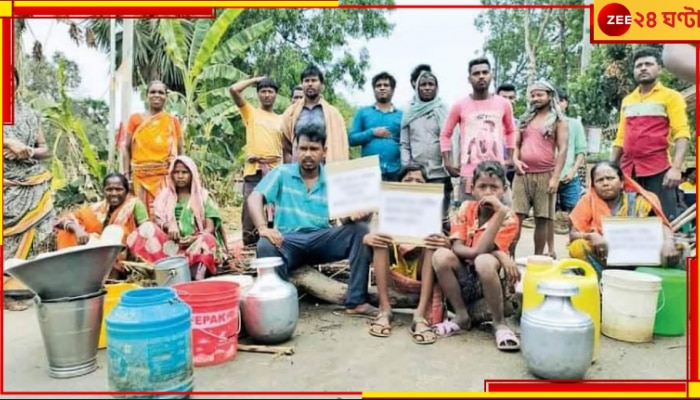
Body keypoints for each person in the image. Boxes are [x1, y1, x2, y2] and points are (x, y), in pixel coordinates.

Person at [249, 124, 377, 318]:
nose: (308, 154)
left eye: (314, 149)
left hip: (321, 239)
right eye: (303, 148)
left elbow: (344, 218)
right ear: (295, 150)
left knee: (360, 230)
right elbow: (254, 197)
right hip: (287, 241)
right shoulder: (282, 173)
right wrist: (262, 228)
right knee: (265, 244)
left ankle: (356, 302)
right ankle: (282, 305)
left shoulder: (335, 178)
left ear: (324, 152)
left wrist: (357, 214)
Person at [430, 161, 521, 351]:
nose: (488, 192)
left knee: (484, 261)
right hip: (464, 274)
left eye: (494, 187)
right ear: (472, 189)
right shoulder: (465, 208)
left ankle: (499, 322)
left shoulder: (509, 217)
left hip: (490, 278)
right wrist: (477, 250)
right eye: (482, 186)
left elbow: (484, 251)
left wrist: (500, 213)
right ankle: (461, 316)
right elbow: (457, 247)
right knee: (441, 255)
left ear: (504, 190)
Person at [362, 164, 450, 344]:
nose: (414, 184)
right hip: (395, 271)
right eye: (408, 180)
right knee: (380, 240)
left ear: (426, 186)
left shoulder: (434, 212)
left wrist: (445, 243)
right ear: (399, 184)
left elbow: (450, 243)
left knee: (432, 243)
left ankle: (419, 314)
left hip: (421, 272)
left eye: (419, 181)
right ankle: (385, 310)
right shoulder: (389, 210)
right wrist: (367, 238)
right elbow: (370, 235)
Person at [611, 47, 690, 222]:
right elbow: (621, 138)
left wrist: (676, 169)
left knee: (663, 219)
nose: (643, 68)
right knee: (629, 217)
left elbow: (682, 133)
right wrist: (610, 167)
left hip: (659, 170)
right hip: (628, 170)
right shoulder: (628, 100)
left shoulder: (671, 97)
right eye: (639, 65)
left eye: (648, 64)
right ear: (634, 71)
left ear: (659, 68)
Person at [3, 67, 55, 311]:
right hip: (5, 184)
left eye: (11, 79)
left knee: (31, 235)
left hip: (30, 181)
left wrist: (30, 150)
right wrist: (7, 141)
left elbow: (45, 148)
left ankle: (17, 291)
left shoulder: (29, 113)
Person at [568, 161, 679, 275]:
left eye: (610, 178)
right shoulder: (587, 201)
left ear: (621, 182)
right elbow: (573, 235)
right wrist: (591, 236)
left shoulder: (640, 201)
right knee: (578, 247)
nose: (605, 183)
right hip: (603, 257)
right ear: (594, 185)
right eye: (600, 180)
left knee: (680, 248)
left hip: (640, 253)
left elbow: (660, 225)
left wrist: (668, 242)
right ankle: (603, 284)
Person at [128, 156, 226, 281]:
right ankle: (160, 269)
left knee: (207, 239)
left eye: (184, 172)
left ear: (192, 174)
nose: (180, 176)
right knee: (146, 228)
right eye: (176, 172)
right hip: (169, 247)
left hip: (194, 246)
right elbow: (156, 220)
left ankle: (194, 272)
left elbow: (210, 228)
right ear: (171, 174)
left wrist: (194, 238)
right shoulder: (164, 196)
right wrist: (168, 226)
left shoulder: (203, 196)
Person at [439, 58, 516, 203]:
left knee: (504, 218)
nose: (481, 76)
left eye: (485, 72)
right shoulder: (459, 105)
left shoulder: (503, 104)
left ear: (491, 75)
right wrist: (447, 162)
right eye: (476, 73)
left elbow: (511, 130)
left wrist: (511, 157)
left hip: (497, 172)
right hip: (470, 175)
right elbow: (445, 134)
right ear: (469, 78)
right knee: (469, 220)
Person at [54, 173, 149, 279]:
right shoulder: (97, 208)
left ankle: (111, 278)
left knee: (115, 231)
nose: (114, 193)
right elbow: (62, 220)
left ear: (126, 191)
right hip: (97, 248)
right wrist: (78, 230)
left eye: (118, 189)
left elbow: (146, 230)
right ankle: (72, 274)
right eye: (109, 189)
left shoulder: (135, 205)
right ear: (103, 191)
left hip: (125, 252)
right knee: (67, 232)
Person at [512, 80, 568, 256]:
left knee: (542, 219)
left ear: (550, 96)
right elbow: (516, 144)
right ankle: (509, 257)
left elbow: (563, 149)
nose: (536, 98)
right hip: (522, 174)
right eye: (533, 95)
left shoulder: (559, 121)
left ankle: (537, 258)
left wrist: (555, 178)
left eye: (540, 94)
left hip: (546, 174)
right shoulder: (525, 119)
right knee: (515, 218)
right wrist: (515, 160)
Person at [229, 76, 283, 246]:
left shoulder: (282, 119)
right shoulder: (250, 112)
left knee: (274, 213)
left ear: (276, 95)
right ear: (258, 94)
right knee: (250, 213)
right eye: (263, 91)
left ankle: (272, 247)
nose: (267, 95)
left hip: (275, 172)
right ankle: (249, 251)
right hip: (254, 171)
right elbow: (234, 89)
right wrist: (257, 79)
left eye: (270, 91)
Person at [400, 70, 453, 223]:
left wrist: (451, 165)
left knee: (441, 220)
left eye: (431, 84)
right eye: (423, 84)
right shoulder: (409, 112)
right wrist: (408, 168)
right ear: (417, 88)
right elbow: (405, 144)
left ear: (436, 88)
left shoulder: (444, 110)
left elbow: (451, 139)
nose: (427, 88)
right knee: (418, 219)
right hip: (417, 176)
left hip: (440, 173)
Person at [124, 80, 184, 214]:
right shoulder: (135, 119)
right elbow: (126, 148)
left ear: (166, 97)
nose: (157, 95)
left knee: (165, 215)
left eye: (161, 93)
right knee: (141, 216)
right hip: (140, 177)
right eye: (153, 92)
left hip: (165, 177)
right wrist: (126, 177)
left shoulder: (172, 121)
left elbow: (180, 153)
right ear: (147, 96)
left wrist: (180, 176)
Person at [545, 88, 587, 256]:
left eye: (561, 100)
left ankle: (574, 250)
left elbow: (581, 151)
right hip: (548, 177)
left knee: (575, 215)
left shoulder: (574, 124)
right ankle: (550, 250)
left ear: (566, 103)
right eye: (555, 100)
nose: (558, 104)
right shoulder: (544, 123)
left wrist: (572, 171)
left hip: (570, 177)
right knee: (547, 215)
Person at [281, 65, 349, 164]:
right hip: (298, 168)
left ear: (321, 85)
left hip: (325, 169)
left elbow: (340, 145)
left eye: (314, 80)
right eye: (306, 81)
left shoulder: (333, 114)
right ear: (302, 84)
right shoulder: (291, 112)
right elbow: (286, 144)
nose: (310, 84)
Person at [349, 72, 403, 181]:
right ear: (374, 90)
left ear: (392, 90)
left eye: (386, 85)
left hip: (395, 171)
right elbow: (351, 139)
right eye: (378, 86)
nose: (382, 88)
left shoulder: (401, 115)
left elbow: (406, 142)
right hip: (368, 171)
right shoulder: (363, 112)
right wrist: (372, 132)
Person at [496, 83, 518, 185]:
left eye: (511, 98)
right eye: (504, 98)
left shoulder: (522, 125)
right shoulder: (488, 125)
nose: (508, 101)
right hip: (493, 173)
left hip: (516, 174)